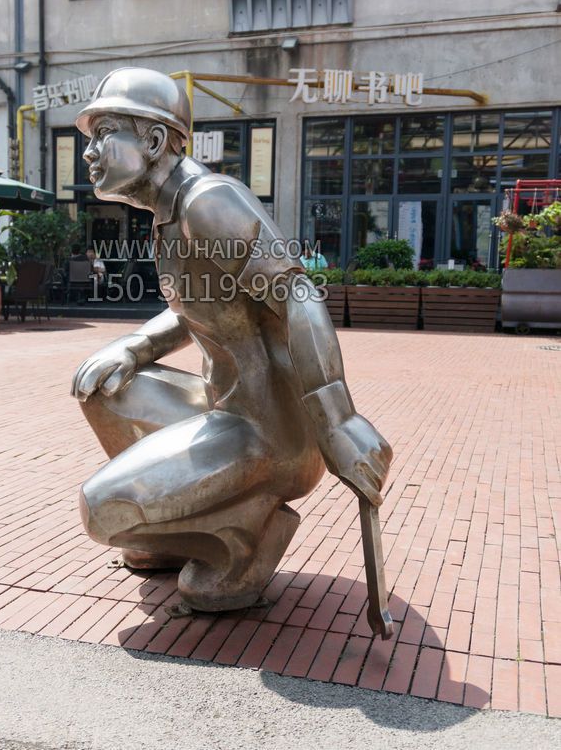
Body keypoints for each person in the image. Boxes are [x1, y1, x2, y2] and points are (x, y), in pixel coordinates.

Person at [71, 67, 392, 633]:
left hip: (273, 435)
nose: (89, 153)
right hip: (227, 406)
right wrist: (136, 347)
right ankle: (180, 533)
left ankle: (248, 539)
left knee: (102, 509)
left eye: (103, 135)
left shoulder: (209, 202)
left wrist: (340, 420)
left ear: (154, 141)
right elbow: (198, 306)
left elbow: (297, 295)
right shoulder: (168, 214)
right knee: (104, 387)